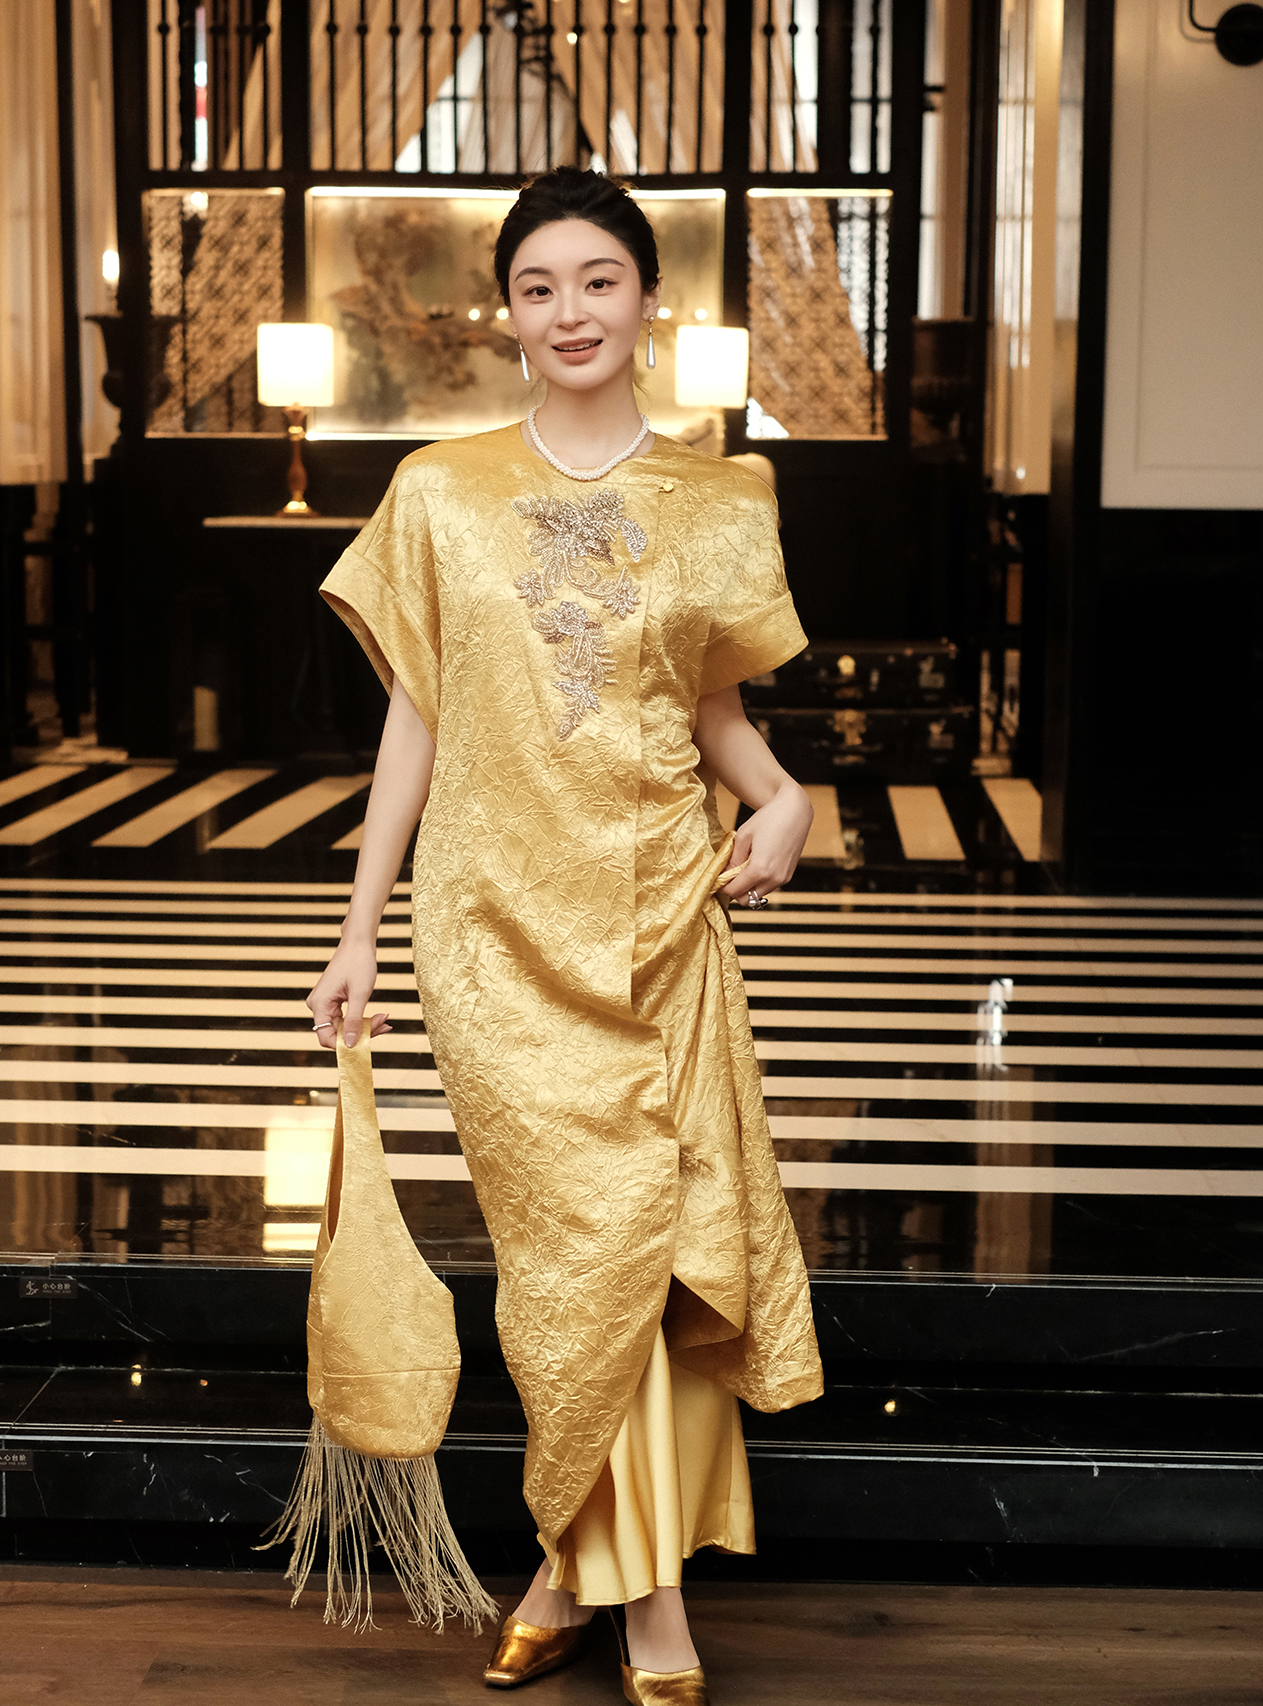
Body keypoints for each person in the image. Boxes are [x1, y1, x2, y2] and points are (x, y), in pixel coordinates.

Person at [306, 165, 823, 1706]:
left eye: (600, 279)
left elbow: (714, 709)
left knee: (655, 1250)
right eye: (539, 287)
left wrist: (787, 799)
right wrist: (357, 931)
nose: (571, 310)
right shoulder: (437, 491)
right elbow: (414, 722)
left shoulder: (720, 498)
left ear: (648, 299)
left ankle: (609, 1584)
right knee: (566, 1264)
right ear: (509, 315)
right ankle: (605, 1571)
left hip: (662, 923)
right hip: (492, 941)